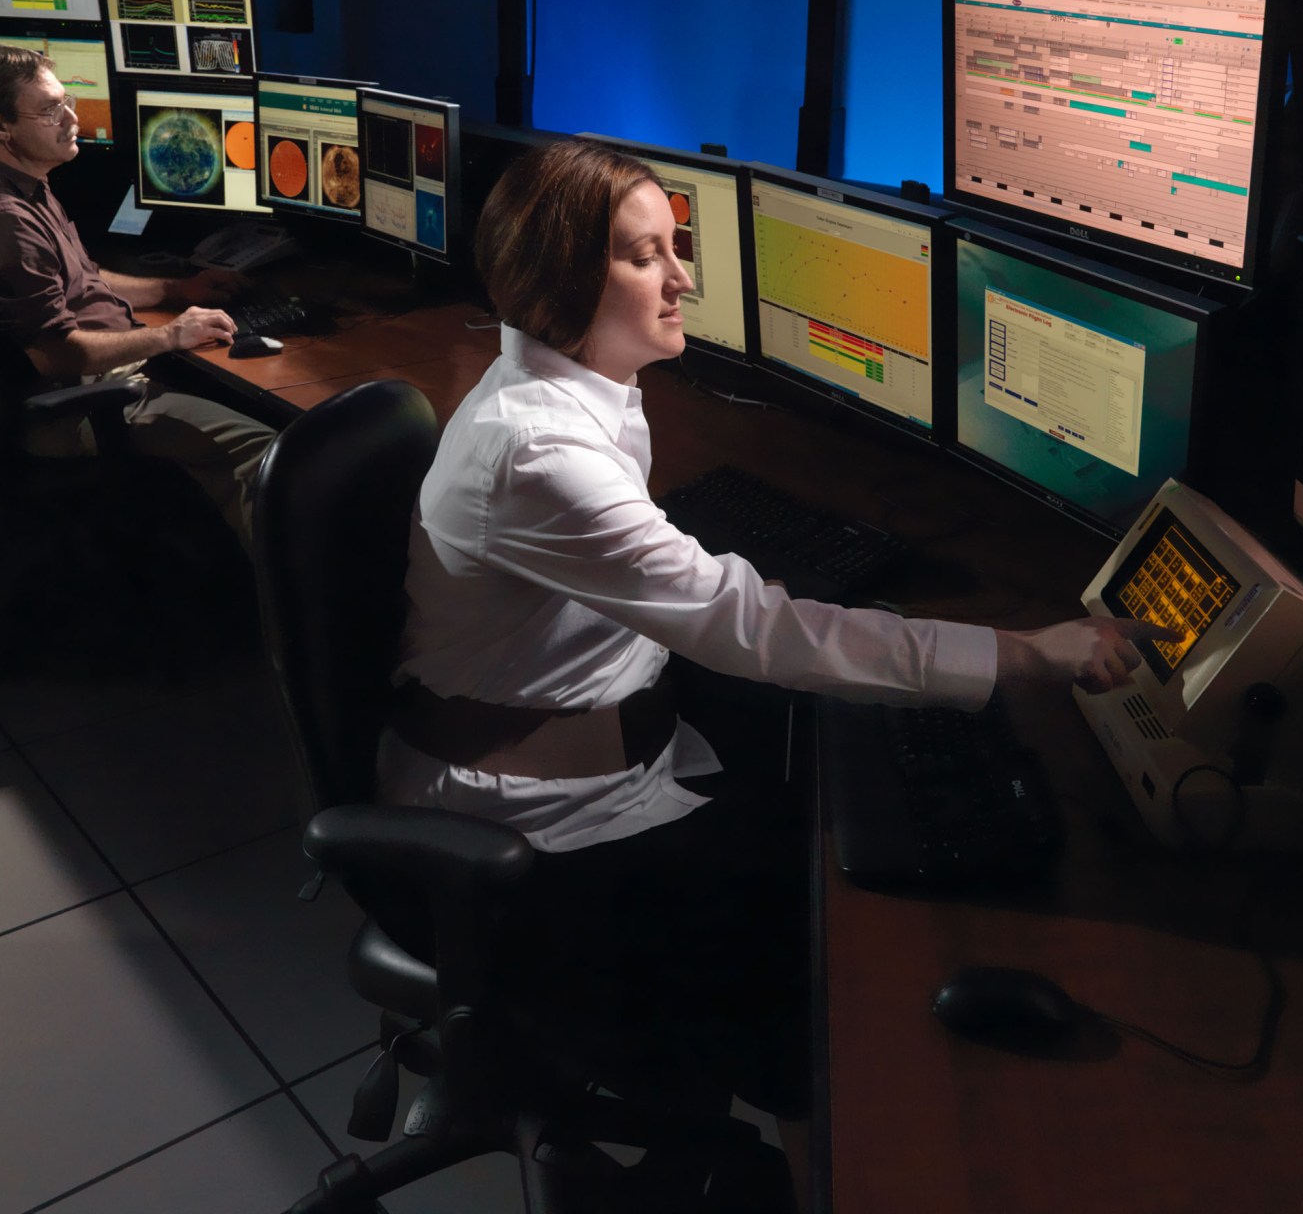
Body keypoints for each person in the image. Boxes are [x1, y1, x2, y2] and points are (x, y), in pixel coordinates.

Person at [381, 137, 1171, 1203]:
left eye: (676, 248)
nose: (682, 278)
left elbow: (704, 606)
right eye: (644, 257)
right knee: (827, 958)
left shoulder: (576, 393)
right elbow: (752, 629)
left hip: (599, 735)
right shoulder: (539, 453)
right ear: (560, 280)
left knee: (828, 797)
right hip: (530, 817)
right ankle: (818, 1158)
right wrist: (1023, 652)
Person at [0, 45, 276, 546]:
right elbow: (56, 353)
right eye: (51, 110)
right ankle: (289, 594)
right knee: (268, 452)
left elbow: (82, 277)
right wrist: (170, 336)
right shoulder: (3, 219)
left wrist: (174, 289)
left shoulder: (17, 183)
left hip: (98, 379)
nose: (72, 119)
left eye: (67, 101)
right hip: (78, 405)